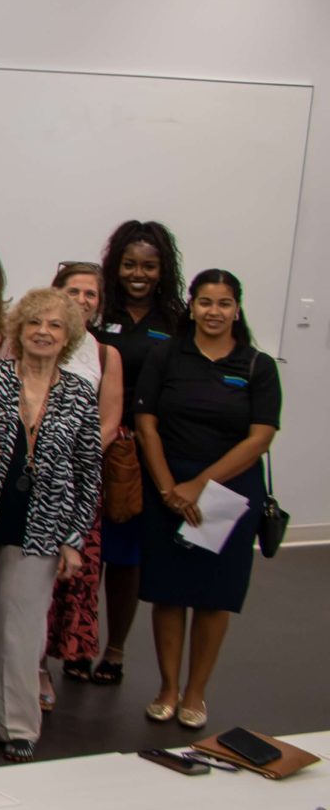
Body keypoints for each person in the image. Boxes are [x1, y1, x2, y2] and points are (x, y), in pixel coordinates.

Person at [135, 270, 278, 732]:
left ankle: (196, 692)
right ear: (191, 306)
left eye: (223, 303)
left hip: (228, 496)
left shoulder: (257, 365)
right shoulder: (166, 355)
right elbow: (147, 424)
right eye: (204, 302)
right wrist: (167, 488)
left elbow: (260, 438)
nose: (213, 312)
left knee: (214, 598)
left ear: (237, 309)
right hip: (168, 488)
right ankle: (167, 688)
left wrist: (200, 486)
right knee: (170, 594)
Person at [0, 289, 101, 762]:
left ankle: (21, 726)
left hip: (42, 529)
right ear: (18, 331)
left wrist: (74, 540)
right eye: (34, 323)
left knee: (18, 627)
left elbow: (88, 474)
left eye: (55, 326)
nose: (43, 331)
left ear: (68, 337)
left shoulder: (80, 393)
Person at [89, 219, 185, 687]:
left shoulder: (177, 321)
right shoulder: (97, 310)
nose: (138, 273)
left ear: (163, 269)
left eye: (149, 265)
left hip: (142, 451)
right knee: (85, 551)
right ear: (115, 266)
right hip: (92, 445)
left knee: (125, 556)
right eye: (129, 264)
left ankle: (115, 649)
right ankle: (76, 643)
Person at [45, 262, 126, 686]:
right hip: (31, 481)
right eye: (73, 291)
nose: (81, 300)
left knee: (69, 579)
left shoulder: (104, 354)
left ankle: (47, 666)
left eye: (89, 294)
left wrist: (69, 463)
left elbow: (108, 424)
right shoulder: (36, 340)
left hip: (78, 484)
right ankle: (27, 665)